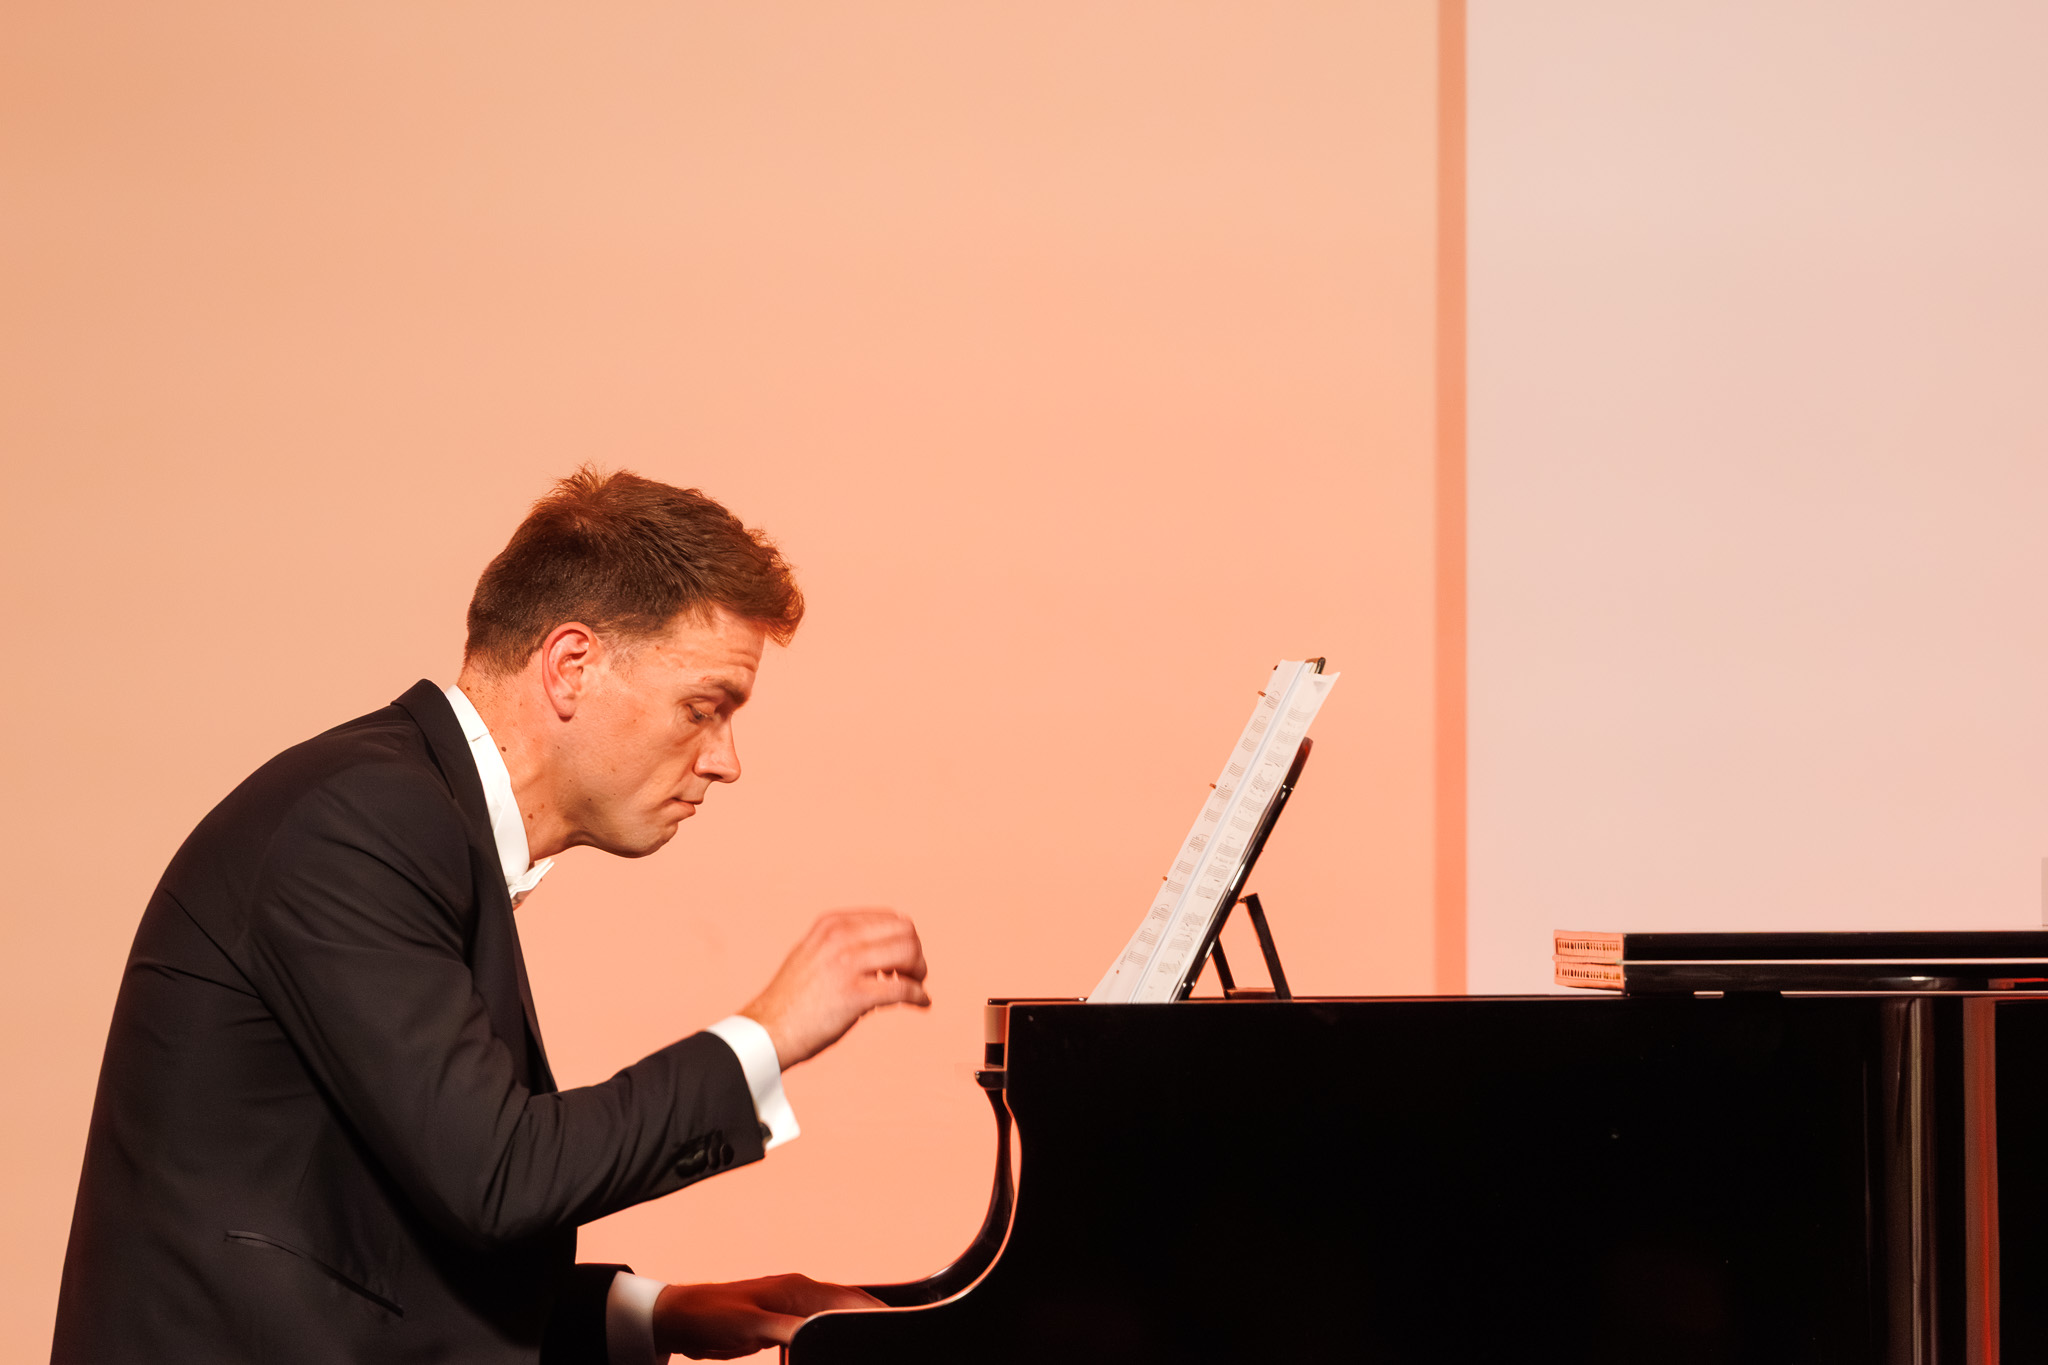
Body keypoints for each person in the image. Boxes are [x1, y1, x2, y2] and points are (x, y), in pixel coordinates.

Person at [52, 468, 930, 1363]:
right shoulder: (363, 820)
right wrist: (767, 1034)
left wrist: (654, 1313)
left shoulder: (414, 816)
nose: (725, 760)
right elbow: (494, 1174)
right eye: (703, 708)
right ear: (572, 666)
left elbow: (376, 1249)